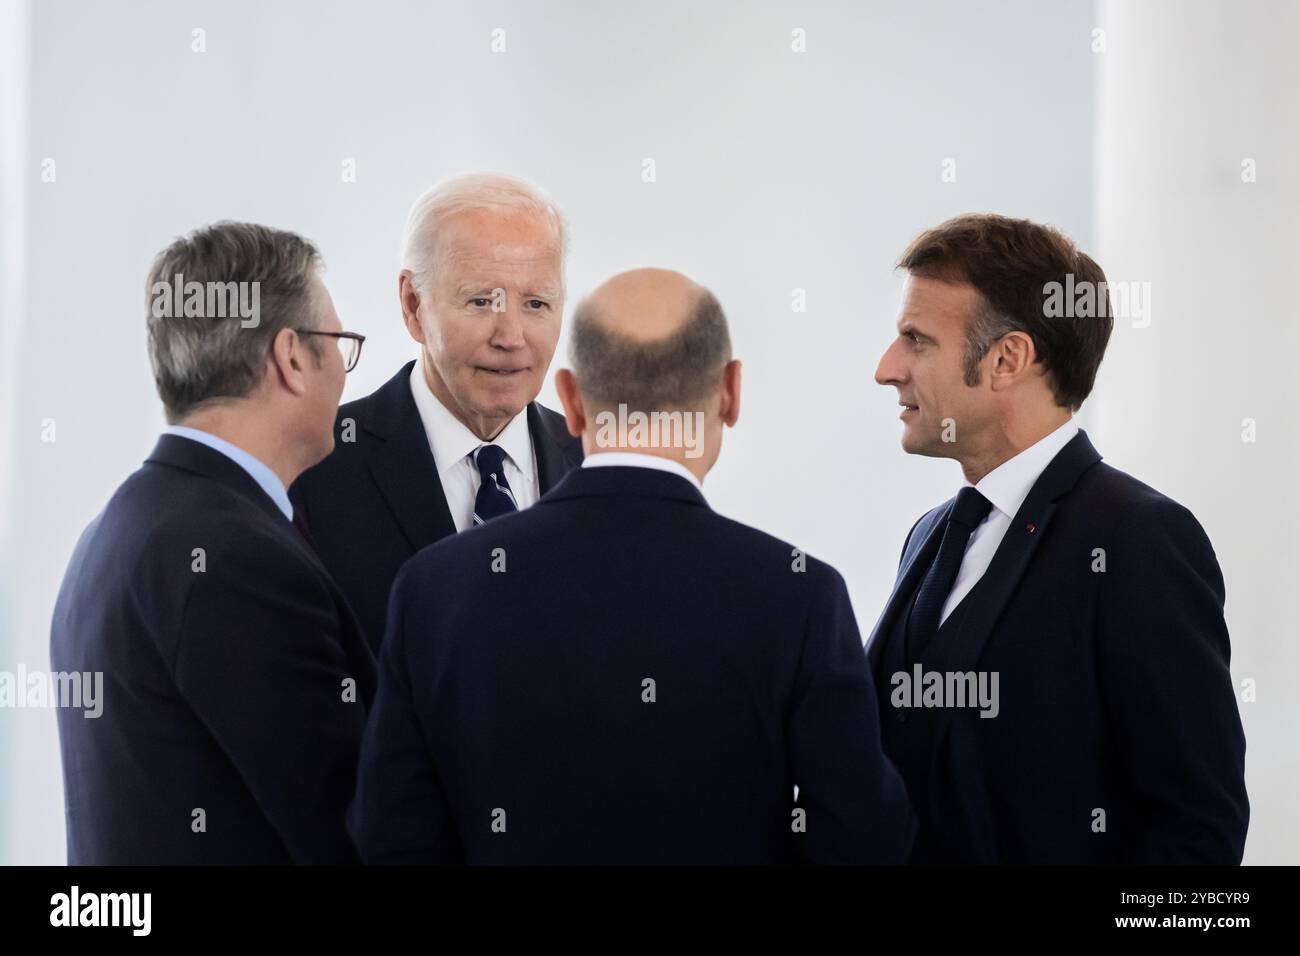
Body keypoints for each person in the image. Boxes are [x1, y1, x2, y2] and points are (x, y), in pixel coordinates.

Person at [348, 268, 914, 864]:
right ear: (730, 392)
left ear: (568, 400)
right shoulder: (801, 595)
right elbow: (863, 837)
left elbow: (391, 836)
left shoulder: (435, 587)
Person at [870, 213, 1249, 863]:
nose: (886, 368)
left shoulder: (1139, 539)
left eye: (916, 339)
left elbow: (1198, 830)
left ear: (1008, 358)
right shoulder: (930, 537)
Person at [51, 221, 375, 864]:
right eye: (338, 342)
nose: (344, 367)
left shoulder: (113, 531)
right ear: (290, 356)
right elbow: (352, 833)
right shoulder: (238, 559)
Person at [291, 173, 582, 650]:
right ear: (413, 305)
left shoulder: (598, 466)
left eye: (536, 303)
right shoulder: (313, 468)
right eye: (481, 300)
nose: (511, 337)